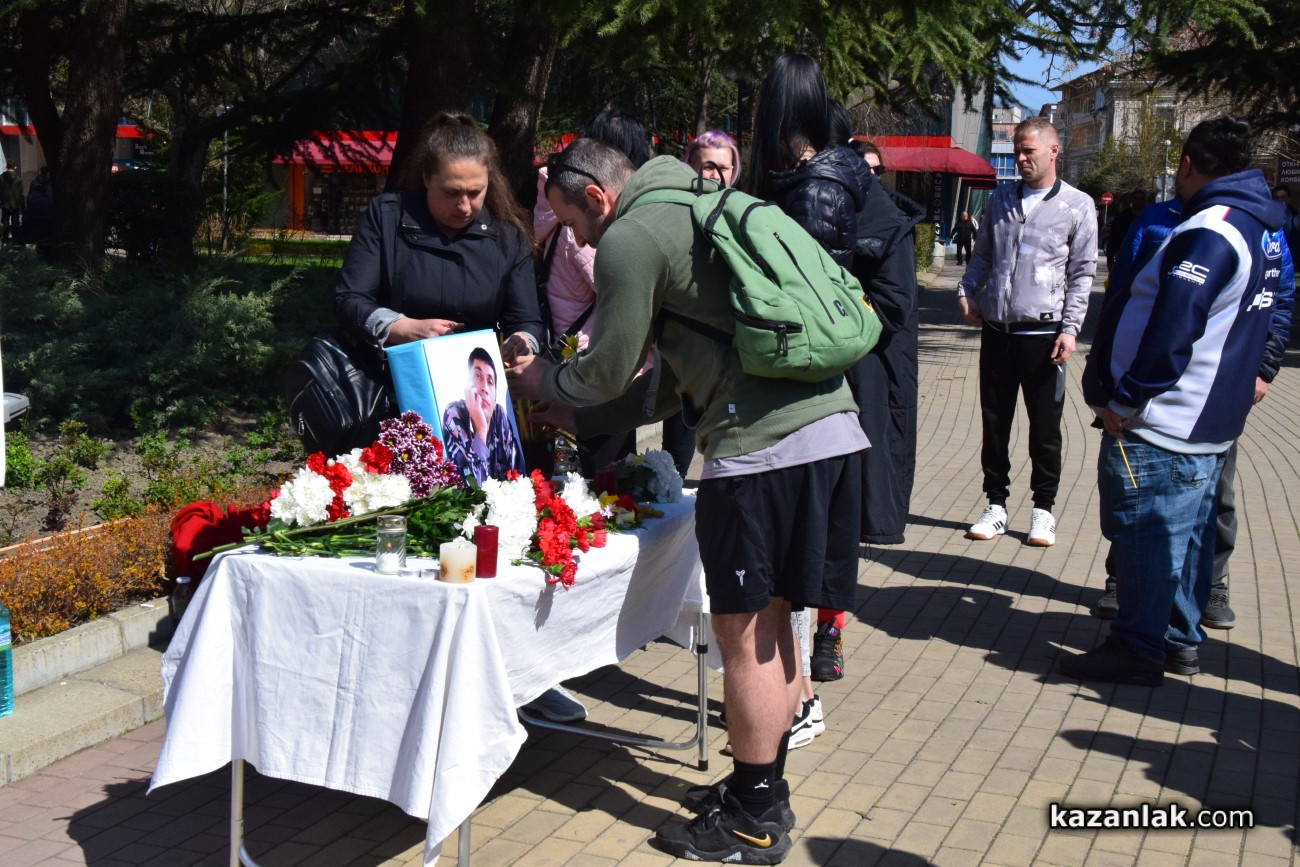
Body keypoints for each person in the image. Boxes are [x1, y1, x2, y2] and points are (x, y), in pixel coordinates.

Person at [510, 137, 866, 863]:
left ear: (598, 197)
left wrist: (546, 382)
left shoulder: (631, 237)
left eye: (573, 224)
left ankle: (753, 817)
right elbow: (674, 378)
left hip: (761, 445)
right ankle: (760, 789)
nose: (575, 240)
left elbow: (607, 367)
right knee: (778, 620)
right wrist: (582, 416)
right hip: (832, 428)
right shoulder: (705, 203)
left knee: (742, 638)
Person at [1063, 116, 1284, 685]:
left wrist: (1126, 399)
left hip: (1164, 419)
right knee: (1186, 537)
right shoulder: (1260, 227)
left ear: (1187, 164)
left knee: (1146, 532)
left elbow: (1172, 327)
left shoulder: (1211, 231)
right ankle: (1179, 637)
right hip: (1205, 418)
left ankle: (1137, 646)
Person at [1092, 191, 1295, 634]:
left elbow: (1277, 298)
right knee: (1147, 511)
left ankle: (1170, 618)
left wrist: (1263, 369)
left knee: (1189, 507)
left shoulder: (1233, 229)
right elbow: (1123, 289)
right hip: (1169, 400)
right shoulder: (1158, 219)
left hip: (1181, 404)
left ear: (1190, 166)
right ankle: (1147, 607)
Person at [956, 116, 1097, 547]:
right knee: (995, 423)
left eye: (1028, 151)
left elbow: (1083, 272)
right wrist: (965, 290)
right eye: (1017, 150)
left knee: (1045, 427)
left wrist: (1071, 329)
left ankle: (1043, 510)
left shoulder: (1077, 205)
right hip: (998, 330)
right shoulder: (1000, 199)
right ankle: (995, 504)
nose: (1020, 159)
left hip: (1044, 335)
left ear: (1053, 151)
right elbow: (982, 255)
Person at [335, 111, 542, 358]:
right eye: (451, 193)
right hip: (391, 378)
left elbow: (527, 322)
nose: (464, 206)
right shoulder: (387, 216)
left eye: (476, 192)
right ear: (426, 177)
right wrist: (404, 328)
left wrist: (522, 342)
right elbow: (348, 299)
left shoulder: (509, 235)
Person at [440, 347, 525, 484]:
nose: (484, 387)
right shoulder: (454, 414)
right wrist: (481, 430)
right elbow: (473, 489)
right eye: (477, 376)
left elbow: (520, 478)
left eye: (490, 382)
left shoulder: (499, 415)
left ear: (495, 395)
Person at [1104, 189, 1147, 273]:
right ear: (1131, 200)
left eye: (1141, 198)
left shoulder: (1148, 217)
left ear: (1144, 201)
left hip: (1142, 260)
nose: (1138, 200)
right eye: (1135, 198)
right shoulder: (1121, 217)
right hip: (1122, 257)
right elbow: (1112, 239)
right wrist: (1110, 260)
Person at [0, 163, 23, 244]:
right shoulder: (18, 179)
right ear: (14, 167)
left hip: (5, 204)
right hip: (15, 205)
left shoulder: (1, 178)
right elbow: (21, 194)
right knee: (16, 223)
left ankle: (5, 240)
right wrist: (23, 206)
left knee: (5, 222)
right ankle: (16, 241)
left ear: (6, 167)